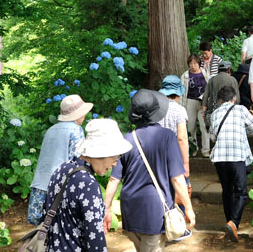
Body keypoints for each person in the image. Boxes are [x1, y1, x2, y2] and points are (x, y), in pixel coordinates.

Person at [103, 90, 196, 252]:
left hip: (130, 211)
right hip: (154, 212)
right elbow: (177, 179)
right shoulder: (167, 137)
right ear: (156, 112)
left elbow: (113, 180)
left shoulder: (126, 139)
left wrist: (107, 209)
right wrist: (188, 208)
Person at [44, 119, 132, 252]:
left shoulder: (62, 169)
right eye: (115, 158)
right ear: (102, 152)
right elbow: (95, 237)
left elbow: (45, 212)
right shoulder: (88, 184)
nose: (115, 164)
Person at [28, 94, 91, 225]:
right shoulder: (76, 130)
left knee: (41, 229)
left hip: (40, 185)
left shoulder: (51, 130)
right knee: (59, 229)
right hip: (59, 188)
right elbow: (76, 162)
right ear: (78, 115)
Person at [209, 86, 253, 243]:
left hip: (220, 158)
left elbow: (212, 137)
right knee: (241, 193)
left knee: (227, 191)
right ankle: (234, 223)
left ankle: (229, 222)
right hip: (236, 156)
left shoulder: (215, 114)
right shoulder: (241, 110)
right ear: (234, 98)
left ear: (219, 101)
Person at [159, 75, 190, 179]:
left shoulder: (155, 108)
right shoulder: (180, 110)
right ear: (178, 94)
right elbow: (181, 138)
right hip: (174, 156)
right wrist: (185, 163)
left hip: (156, 154)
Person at [180, 54, 210, 158]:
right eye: (191, 63)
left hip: (203, 103)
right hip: (190, 102)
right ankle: (193, 148)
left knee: (204, 126)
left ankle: (206, 150)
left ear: (199, 63)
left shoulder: (205, 73)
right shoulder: (185, 76)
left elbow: (209, 87)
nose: (193, 65)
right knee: (191, 126)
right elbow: (182, 92)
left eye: (195, 63)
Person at [202, 61, 239, 130]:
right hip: (229, 112)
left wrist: (204, 113)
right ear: (228, 69)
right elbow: (237, 99)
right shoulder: (232, 80)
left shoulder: (212, 80)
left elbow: (205, 97)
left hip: (214, 111)